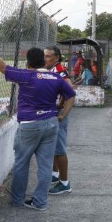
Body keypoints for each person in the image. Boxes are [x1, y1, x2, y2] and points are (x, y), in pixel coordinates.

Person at [0, 35, 76, 211]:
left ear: (28, 63)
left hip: (30, 125)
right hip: (51, 123)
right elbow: (71, 94)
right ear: (44, 61)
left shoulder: (26, 75)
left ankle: (18, 199)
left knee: (21, 163)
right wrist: (63, 114)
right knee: (45, 165)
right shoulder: (55, 78)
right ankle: (40, 202)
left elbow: (2, 66)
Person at [44, 46, 75, 196]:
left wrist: (61, 108)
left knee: (60, 149)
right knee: (55, 148)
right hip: (55, 112)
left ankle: (64, 183)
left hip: (59, 114)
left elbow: (69, 91)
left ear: (56, 57)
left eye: (48, 56)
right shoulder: (52, 70)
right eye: (44, 56)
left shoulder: (59, 71)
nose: (45, 59)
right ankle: (55, 175)